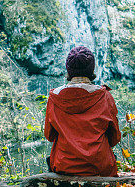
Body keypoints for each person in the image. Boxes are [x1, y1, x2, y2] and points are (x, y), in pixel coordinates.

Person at [44, 46, 121, 176]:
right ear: (91, 69)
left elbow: (49, 136)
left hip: (64, 167)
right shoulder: (104, 96)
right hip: (100, 168)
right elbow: (114, 138)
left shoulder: (54, 98)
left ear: (69, 69)